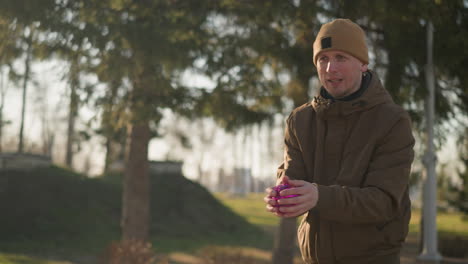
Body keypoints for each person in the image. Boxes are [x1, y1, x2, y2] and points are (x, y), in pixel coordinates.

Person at [264, 18, 415, 264]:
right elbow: (295, 178)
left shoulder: (392, 121)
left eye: (341, 58)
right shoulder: (299, 120)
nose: (330, 68)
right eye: (323, 59)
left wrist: (318, 196)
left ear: (363, 63)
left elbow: (383, 202)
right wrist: (284, 194)